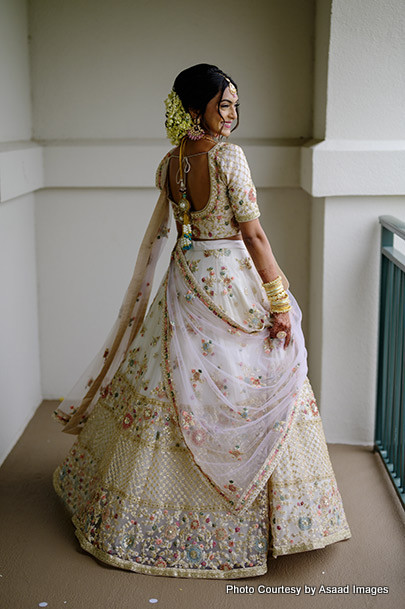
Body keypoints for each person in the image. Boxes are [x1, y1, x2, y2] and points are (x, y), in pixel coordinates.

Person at [53, 64, 351, 579]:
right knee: (248, 382)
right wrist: (279, 301)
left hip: (186, 280)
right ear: (195, 110)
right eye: (223, 104)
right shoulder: (229, 159)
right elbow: (254, 237)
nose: (232, 115)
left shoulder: (169, 163)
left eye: (236, 104)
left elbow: (176, 228)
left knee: (171, 386)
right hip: (231, 280)